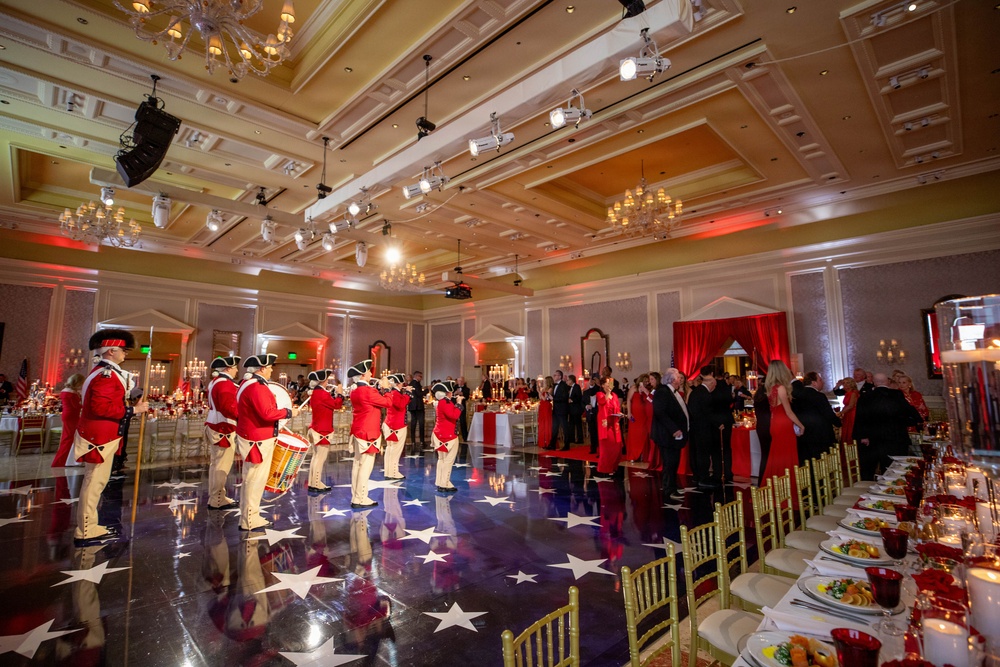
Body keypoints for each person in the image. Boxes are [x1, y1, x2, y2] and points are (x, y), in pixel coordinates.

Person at [73, 329, 149, 546]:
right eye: (123, 350)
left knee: (96, 481)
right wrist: (133, 411)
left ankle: (88, 525)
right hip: (99, 436)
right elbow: (100, 407)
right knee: (94, 482)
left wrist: (130, 400)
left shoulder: (104, 372)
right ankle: (86, 529)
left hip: (101, 434)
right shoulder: (105, 375)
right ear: (111, 351)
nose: (125, 354)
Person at [235, 354, 298, 531]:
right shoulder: (257, 387)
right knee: (256, 479)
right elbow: (267, 413)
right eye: (270, 367)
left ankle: (248, 515)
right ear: (262, 368)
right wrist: (288, 412)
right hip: (258, 439)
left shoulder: (245, 384)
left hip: (251, 435)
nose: (272, 370)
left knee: (250, 478)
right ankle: (250, 518)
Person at [853, 373, 922, 479]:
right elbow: (910, 412)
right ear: (888, 382)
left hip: (873, 440)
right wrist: (911, 422)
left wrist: (863, 436)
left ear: (874, 383)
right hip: (895, 438)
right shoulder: (897, 394)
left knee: (868, 471)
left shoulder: (865, 396)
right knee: (895, 471)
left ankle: (868, 492)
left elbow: (860, 418)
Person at [347, 359, 394, 508]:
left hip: (358, 430)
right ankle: (361, 498)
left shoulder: (356, 391)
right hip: (368, 433)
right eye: (368, 372)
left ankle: (356, 496)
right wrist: (386, 389)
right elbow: (388, 403)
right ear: (362, 375)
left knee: (357, 465)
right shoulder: (368, 391)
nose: (370, 374)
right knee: (365, 466)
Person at [205, 355, 241, 510]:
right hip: (223, 427)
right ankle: (217, 499)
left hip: (214, 424)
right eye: (235, 367)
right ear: (228, 368)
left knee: (215, 464)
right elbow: (229, 409)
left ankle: (215, 496)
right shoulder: (226, 385)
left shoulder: (215, 382)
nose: (237, 370)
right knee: (222, 466)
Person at [760, 360, 805, 483]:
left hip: (775, 423)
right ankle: (785, 486)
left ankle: (776, 485)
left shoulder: (770, 388)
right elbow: (789, 412)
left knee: (777, 455)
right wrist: (801, 425)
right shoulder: (781, 388)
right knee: (786, 456)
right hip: (784, 423)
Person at [650, 369, 688, 499]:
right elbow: (660, 413)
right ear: (672, 380)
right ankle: (668, 489)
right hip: (667, 435)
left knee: (673, 462)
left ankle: (673, 486)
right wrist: (674, 429)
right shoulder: (663, 392)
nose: (680, 380)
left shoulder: (672, 392)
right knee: (669, 462)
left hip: (674, 436)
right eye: (678, 377)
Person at [305, 369, 345, 493]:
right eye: (327, 379)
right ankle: (316, 483)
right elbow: (337, 405)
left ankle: (313, 482)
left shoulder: (317, 393)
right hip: (322, 430)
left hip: (316, 427)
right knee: (320, 458)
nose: (328, 381)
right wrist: (340, 394)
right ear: (323, 381)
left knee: (316, 457)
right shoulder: (322, 394)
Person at [791, 371, 841, 464]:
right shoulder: (819, 396)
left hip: (803, 434)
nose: (823, 382)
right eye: (820, 380)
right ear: (814, 383)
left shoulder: (796, 396)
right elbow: (828, 413)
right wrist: (839, 423)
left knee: (807, 461)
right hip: (820, 435)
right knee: (821, 461)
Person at [431, 381, 463, 493]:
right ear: (448, 393)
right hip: (448, 435)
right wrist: (459, 404)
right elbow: (454, 415)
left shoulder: (441, 402)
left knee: (442, 459)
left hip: (439, 434)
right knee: (448, 460)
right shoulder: (446, 403)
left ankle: (441, 482)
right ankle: (444, 483)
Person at [685, 371, 716, 488]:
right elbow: (708, 414)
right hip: (703, 429)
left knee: (696, 453)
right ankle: (704, 478)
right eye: (714, 385)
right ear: (711, 384)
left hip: (695, 428)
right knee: (703, 454)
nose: (715, 387)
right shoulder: (705, 394)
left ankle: (697, 476)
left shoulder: (695, 392)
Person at [706, 365, 735, 485]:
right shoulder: (727, 387)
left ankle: (718, 473)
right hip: (727, 419)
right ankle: (728, 472)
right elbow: (730, 401)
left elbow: (710, 405)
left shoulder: (713, 388)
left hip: (716, 420)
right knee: (727, 447)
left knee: (716, 449)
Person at [381, 373, 411, 480]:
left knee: (390, 449)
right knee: (395, 450)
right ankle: (393, 472)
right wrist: (408, 393)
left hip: (390, 424)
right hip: (396, 426)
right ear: (399, 384)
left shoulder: (393, 393)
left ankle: (389, 471)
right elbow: (401, 404)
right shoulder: (395, 393)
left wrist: (406, 394)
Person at [51, 373, 84, 468]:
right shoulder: (71, 393)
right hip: (72, 416)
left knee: (68, 437)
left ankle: (64, 460)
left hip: (68, 415)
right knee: (68, 438)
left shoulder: (66, 391)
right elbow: (76, 406)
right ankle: (60, 461)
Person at [595, 375, 623, 476]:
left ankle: (613, 466)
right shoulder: (600, 394)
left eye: (610, 383)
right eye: (607, 383)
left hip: (613, 422)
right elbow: (602, 402)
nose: (609, 385)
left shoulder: (614, 395)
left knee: (617, 446)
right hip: (605, 423)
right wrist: (608, 392)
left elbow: (617, 407)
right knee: (607, 447)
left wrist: (619, 413)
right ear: (603, 385)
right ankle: (605, 468)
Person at [625, 373, 651, 461]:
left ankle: (643, 455)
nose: (647, 383)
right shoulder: (634, 388)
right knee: (634, 435)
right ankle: (634, 455)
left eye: (648, 381)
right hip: (635, 415)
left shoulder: (648, 390)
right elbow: (628, 400)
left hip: (644, 415)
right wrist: (629, 412)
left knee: (643, 434)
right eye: (645, 381)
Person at [752, 378, 772, 484]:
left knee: (764, 454)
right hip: (769, 426)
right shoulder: (768, 398)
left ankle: (762, 479)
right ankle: (768, 478)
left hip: (760, 426)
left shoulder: (757, 396)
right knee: (769, 454)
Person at [546, 370, 570, 450]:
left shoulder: (564, 385)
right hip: (556, 409)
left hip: (562, 410)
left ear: (560, 376)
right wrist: (549, 397)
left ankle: (567, 445)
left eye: (555, 375)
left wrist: (554, 398)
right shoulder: (555, 385)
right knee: (554, 428)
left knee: (564, 428)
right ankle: (552, 445)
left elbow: (564, 397)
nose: (554, 376)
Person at [835, 377, 859, 445]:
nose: (845, 385)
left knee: (850, 431)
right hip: (847, 413)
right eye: (844, 383)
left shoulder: (854, 393)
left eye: (847, 383)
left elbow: (851, 405)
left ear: (851, 384)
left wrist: (841, 412)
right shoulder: (847, 393)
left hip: (852, 414)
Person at [582, 375, 601, 454]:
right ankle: (593, 448)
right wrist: (586, 406)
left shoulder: (599, 390)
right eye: (590, 380)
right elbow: (582, 403)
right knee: (592, 431)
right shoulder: (586, 392)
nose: (591, 381)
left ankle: (600, 448)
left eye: (593, 380)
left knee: (598, 431)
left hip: (598, 413)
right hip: (590, 413)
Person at [407, 371, 426, 447]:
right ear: (417, 376)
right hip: (418, 406)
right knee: (421, 423)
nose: (421, 378)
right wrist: (427, 390)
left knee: (413, 424)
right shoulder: (417, 383)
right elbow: (419, 394)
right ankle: (422, 441)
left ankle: (413, 441)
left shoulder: (410, 383)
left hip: (412, 406)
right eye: (420, 377)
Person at [536, 376, 553, 450]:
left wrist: (539, 391)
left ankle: (547, 442)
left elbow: (545, 398)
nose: (544, 382)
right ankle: (542, 441)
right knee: (542, 423)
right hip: (542, 406)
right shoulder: (544, 388)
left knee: (547, 423)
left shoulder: (550, 389)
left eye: (545, 381)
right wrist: (539, 391)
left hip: (546, 406)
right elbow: (540, 398)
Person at [567, 374, 584, 445]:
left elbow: (579, 397)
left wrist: (572, 400)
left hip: (576, 409)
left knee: (578, 424)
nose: (567, 381)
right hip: (571, 409)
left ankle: (580, 439)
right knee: (571, 424)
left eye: (568, 380)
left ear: (571, 380)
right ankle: (572, 438)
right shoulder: (570, 387)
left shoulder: (577, 387)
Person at [455, 376, 471, 442]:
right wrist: (455, 393)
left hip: (462, 406)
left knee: (463, 421)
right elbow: (451, 395)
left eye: (461, 381)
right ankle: (453, 436)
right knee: (454, 421)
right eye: (459, 380)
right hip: (455, 406)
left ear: (463, 381)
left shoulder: (467, 389)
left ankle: (465, 437)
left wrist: (462, 394)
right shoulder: (454, 387)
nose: (460, 382)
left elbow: (466, 397)